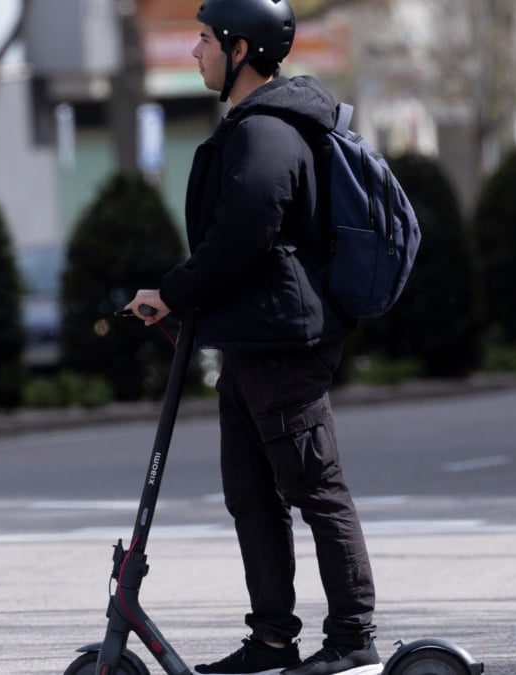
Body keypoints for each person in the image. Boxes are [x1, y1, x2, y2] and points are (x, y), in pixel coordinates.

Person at [123, 1, 378, 673]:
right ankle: (271, 640)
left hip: (283, 340)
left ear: (240, 50)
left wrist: (172, 292)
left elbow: (244, 231)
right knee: (251, 489)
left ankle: (353, 639)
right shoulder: (257, 126)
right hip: (252, 336)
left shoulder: (266, 134)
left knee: (314, 486)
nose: (195, 52)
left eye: (205, 40)